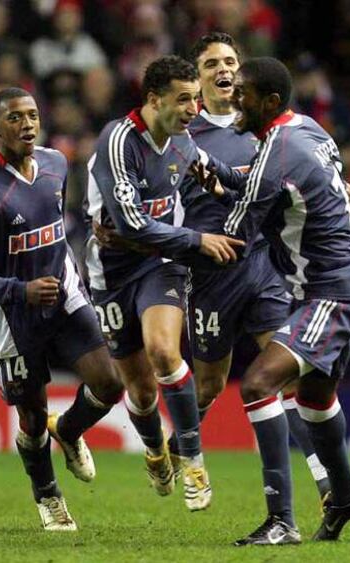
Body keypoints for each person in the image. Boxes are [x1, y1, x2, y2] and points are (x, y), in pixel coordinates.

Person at [202, 57, 350, 544]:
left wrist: (164, 244)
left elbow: (234, 236)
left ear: (270, 102)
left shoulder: (278, 152)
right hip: (333, 283)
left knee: (257, 383)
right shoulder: (308, 129)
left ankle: (281, 522)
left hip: (331, 290)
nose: (235, 97)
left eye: (245, 93)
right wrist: (218, 174)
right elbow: (292, 185)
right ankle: (344, 497)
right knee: (315, 399)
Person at [164, 33, 330, 518]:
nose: (224, 69)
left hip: (262, 266)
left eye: (231, 61)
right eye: (212, 62)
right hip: (209, 276)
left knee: (287, 377)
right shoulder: (183, 135)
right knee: (210, 385)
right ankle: (183, 440)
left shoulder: (258, 126)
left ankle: (325, 486)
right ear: (197, 77)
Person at [0, 87, 124, 531]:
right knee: (30, 417)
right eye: (15, 118)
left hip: (65, 295)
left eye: (32, 115)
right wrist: (19, 291)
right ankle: (48, 495)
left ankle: (67, 430)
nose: (27, 124)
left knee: (109, 384)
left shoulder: (54, 163)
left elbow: (54, 226)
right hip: (12, 314)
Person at [85, 55, 242, 511]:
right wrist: (197, 238)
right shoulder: (119, 142)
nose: (195, 108)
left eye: (196, 97)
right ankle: (156, 451)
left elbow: (229, 178)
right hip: (111, 273)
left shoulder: (183, 142)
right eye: (184, 99)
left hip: (162, 263)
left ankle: (193, 462)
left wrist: (313, 188)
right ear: (154, 99)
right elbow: (130, 225)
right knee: (139, 389)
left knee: (163, 351)